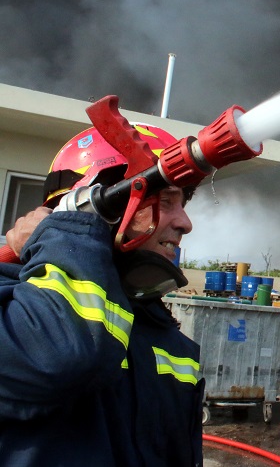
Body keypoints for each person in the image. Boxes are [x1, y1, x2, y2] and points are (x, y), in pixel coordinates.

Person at [0, 124, 204, 466]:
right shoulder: (11, 308)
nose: (185, 222)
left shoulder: (170, 340)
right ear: (96, 207)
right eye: (165, 201)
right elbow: (60, 359)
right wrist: (71, 231)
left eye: (181, 203)